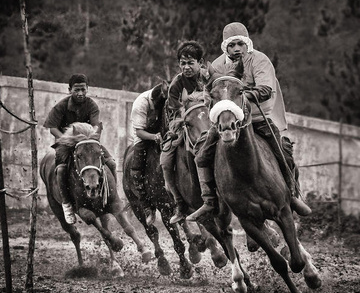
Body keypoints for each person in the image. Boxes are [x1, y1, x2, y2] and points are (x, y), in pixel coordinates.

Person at [183, 22, 311, 223]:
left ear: (247, 44)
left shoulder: (260, 60)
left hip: (259, 117)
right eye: (232, 45)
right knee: (201, 154)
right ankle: (209, 201)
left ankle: (292, 195)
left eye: (240, 44)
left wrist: (238, 96)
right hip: (226, 120)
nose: (236, 49)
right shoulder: (216, 66)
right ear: (225, 46)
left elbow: (265, 89)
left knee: (283, 150)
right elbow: (209, 91)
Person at [44, 73, 116, 224]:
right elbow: (52, 128)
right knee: (61, 170)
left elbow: (95, 124)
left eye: (83, 89)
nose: (80, 93)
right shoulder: (61, 107)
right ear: (69, 90)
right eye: (76, 90)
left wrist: (93, 135)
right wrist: (66, 139)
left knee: (111, 163)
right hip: (67, 142)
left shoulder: (92, 105)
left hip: (88, 142)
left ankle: (112, 195)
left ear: (87, 89)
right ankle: (67, 204)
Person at [161, 41, 208, 223]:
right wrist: (180, 124)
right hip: (187, 127)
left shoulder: (209, 78)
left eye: (191, 62)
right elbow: (174, 113)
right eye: (183, 63)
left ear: (200, 62)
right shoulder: (176, 85)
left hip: (212, 124)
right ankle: (180, 204)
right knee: (165, 161)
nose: (186, 67)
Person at [130, 82, 168, 225]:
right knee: (136, 171)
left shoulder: (167, 100)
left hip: (164, 133)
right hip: (144, 136)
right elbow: (139, 131)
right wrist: (154, 137)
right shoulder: (140, 104)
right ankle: (147, 206)